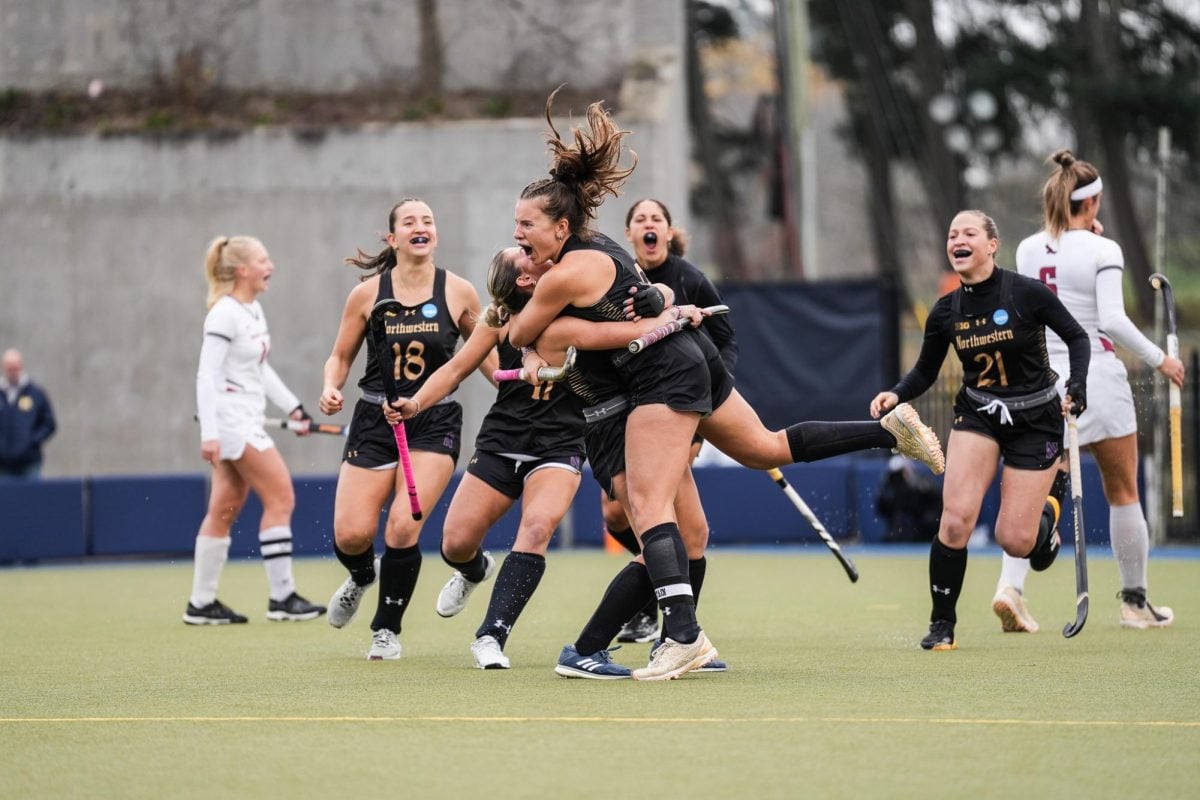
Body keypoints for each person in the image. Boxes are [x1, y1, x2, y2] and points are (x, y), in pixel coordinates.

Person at [503, 94, 943, 679]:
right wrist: (647, 309)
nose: (519, 235)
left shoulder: (563, 274)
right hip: (694, 358)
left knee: (645, 504)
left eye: (525, 226)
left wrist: (541, 341)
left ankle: (681, 636)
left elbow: (520, 330)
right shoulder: (602, 246)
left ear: (560, 226)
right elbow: (625, 306)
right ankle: (885, 432)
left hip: (660, 372)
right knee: (766, 448)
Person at [387, 246, 696, 669]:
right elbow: (456, 368)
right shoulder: (500, 319)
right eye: (528, 255)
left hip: (561, 442)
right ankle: (474, 570)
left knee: (536, 527)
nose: (545, 257)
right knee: (456, 543)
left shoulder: (581, 306)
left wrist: (666, 300)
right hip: (501, 440)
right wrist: (415, 403)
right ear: (524, 281)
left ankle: (491, 636)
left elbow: (644, 303)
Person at [870, 209, 1091, 651]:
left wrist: (1078, 385)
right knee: (955, 521)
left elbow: (1077, 337)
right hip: (978, 414)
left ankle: (1050, 503)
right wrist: (896, 394)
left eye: (969, 232)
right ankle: (942, 624)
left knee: (1017, 540)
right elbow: (925, 371)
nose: (958, 240)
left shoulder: (1027, 294)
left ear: (992, 244)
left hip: (1035, 419)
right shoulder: (946, 311)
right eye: (952, 234)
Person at [992, 150, 1184, 633]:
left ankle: (1010, 589)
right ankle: (1135, 602)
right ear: (1092, 202)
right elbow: (1112, 319)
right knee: (1122, 491)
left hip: (1042, 382)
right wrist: (1161, 359)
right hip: (1095, 373)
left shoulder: (1028, 249)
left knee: (1033, 489)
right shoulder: (1105, 250)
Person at [319, 198, 491, 661]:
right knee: (352, 536)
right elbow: (340, 356)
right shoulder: (367, 295)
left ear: (435, 234)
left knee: (401, 526)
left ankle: (386, 630)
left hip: (433, 421)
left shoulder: (458, 292)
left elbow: (486, 357)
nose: (421, 227)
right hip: (375, 419)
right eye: (410, 222)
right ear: (393, 238)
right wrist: (331, 387)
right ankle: (360, 577)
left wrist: (522, 381)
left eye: (429, 221)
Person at [607, 198, 739, 645]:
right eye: (640, 219)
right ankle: (658, 597)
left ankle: (675, 632)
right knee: (617, 516)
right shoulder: (619, 275)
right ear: (629, 234)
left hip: (684, 408)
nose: (648, 226)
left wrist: (711, 402)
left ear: (667, 232)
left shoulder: (690, 279)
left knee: (686, 526)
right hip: (632, 410)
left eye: (656, 220)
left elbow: (725, 342)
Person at [187, 236, 327, 625]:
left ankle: (200, 603)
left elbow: (259, 369)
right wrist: (210, 433)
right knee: (280, 496)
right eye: (264, 260)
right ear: (242, 270)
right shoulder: (223, 314)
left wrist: (294, 407)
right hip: (232, 422)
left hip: (245, 417)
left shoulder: (253, 310)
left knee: (225, 506)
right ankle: (282, 598)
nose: (272, 267)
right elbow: (206, 375)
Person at [0, 349, 56, 479]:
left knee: (31, 498)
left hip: (29, 465)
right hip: (3, 466)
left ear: (21, 366)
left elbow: (49, 424)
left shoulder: (35, 393)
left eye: (15, 368)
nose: (13, 372)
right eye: (10, 369)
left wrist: (31, 441)